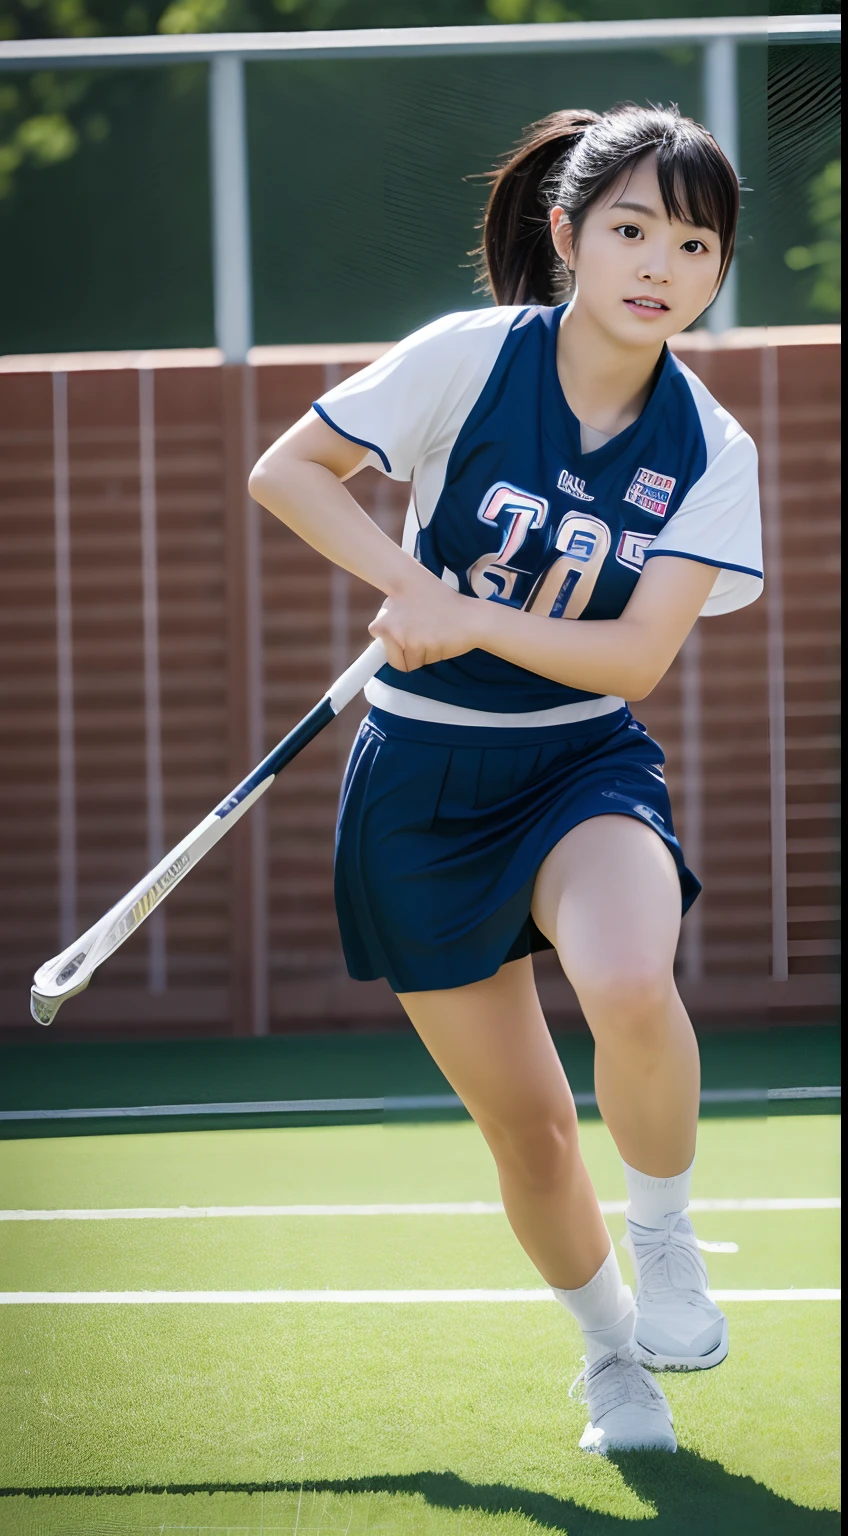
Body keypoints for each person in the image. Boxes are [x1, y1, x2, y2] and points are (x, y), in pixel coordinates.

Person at [248, 103, 763, 1455]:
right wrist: (407, 580)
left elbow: (638, 659)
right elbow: (287, 471)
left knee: (628, 976)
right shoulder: (470, 359)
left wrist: (467, 616)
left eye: (694, 242)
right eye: (632, 229)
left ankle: (667, 1243)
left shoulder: (712, 451)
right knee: (530, 1130)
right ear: (568, 236)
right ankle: (613, 1365)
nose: (661, 263)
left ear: (718, 271)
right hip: (418, 781)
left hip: (579, 760)